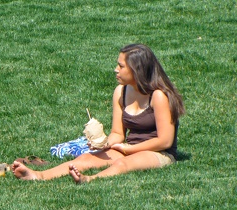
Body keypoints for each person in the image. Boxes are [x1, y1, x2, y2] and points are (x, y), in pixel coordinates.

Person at [12, 44, 185, 184]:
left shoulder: (159, 96)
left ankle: (88, 179)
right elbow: (118, 133)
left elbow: (165, 141)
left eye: (121, 66)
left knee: (122, 163)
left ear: (137, 70)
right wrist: (103, 143)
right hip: (129, 148)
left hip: (159, 153)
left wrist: (128, 148)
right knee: (86, 158)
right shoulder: (121, 92)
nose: (115, 69)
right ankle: (38, 175)